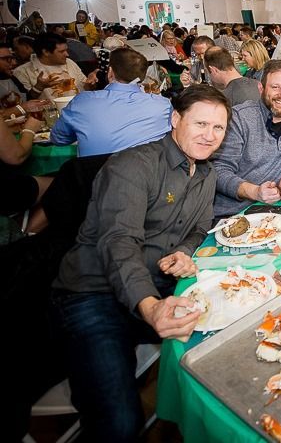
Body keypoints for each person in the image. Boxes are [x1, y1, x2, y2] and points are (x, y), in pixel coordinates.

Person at [51, 85, 230, 441]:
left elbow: (198, 229)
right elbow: (119, 243)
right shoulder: (132, 165)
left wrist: (186, 251)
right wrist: (149, 306)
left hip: (158, 283)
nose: (209, 136)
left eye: (218, 128)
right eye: (201, 124)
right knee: (119, 423)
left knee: (229, 342)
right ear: (175, 119)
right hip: (93, 294)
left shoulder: (206, 173)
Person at [213, 61, 281, 217]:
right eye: (275, 87)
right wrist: (255, 192)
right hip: (234, 214)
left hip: (279, 211)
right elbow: (219, 171)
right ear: (261, 88)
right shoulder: (240, 118)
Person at [50, 47, 172, 157]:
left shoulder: (81, 102)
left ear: (110, 72)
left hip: (95, 178)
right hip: (145, 177)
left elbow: (58, 138)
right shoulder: (163, 106)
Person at [13, 32, 97, 99]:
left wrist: (90, 83)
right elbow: (24, 102)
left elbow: (86, 89)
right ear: (46, 52)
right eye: (61, 51)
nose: (67, 54)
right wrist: (38, 87)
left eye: (66, 50)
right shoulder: (23, 72)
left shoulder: (69, 63)